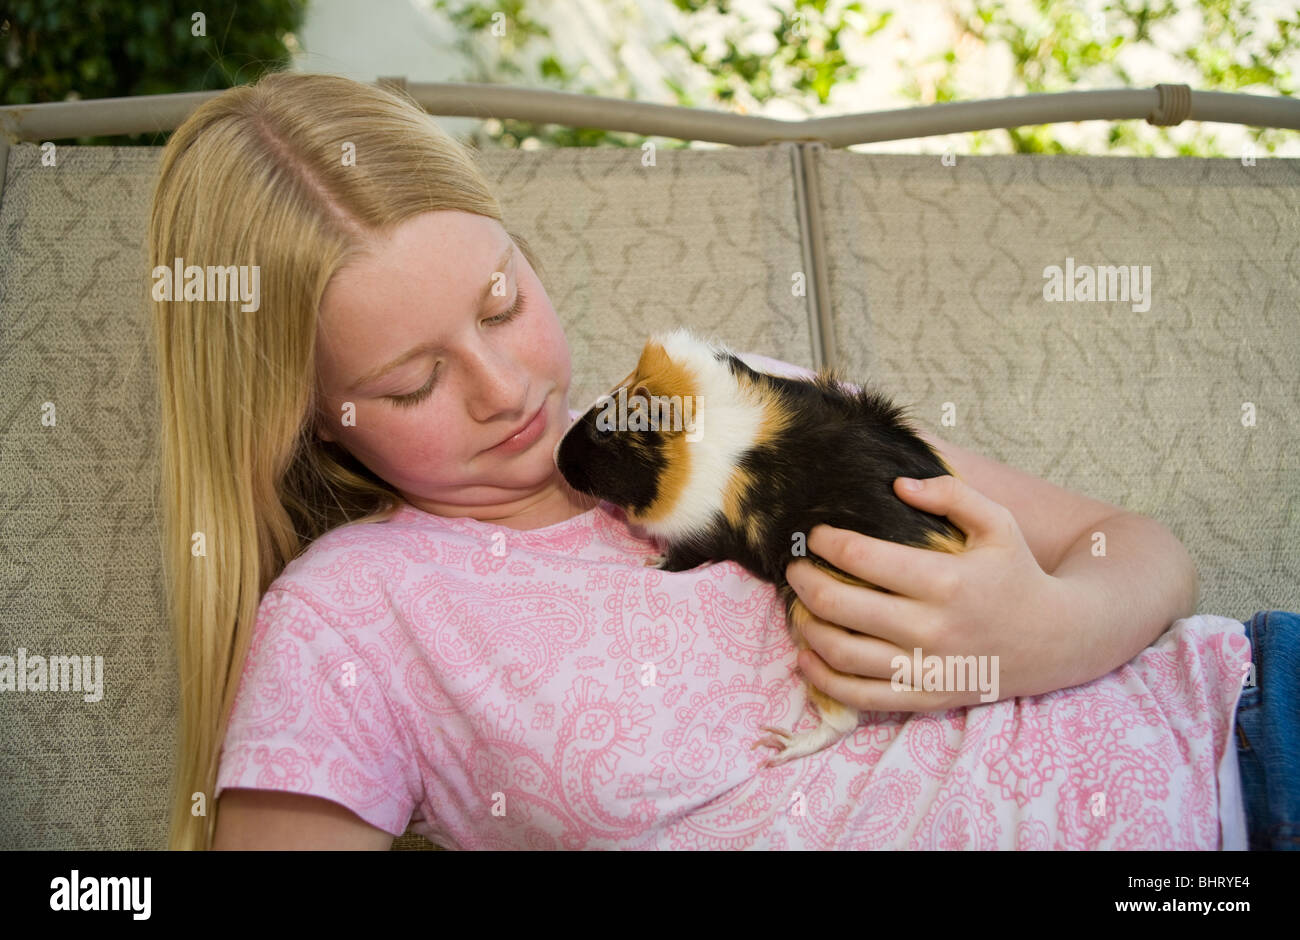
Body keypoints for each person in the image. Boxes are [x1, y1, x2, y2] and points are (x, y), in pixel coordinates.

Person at [149, 70, 1250, 850]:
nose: (505, 387)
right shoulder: (351, 619)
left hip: (1240, 727)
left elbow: (1134, 543)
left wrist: (1050, 632)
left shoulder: (699, 396)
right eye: (410, 383)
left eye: (502, 300)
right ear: (305, 414)